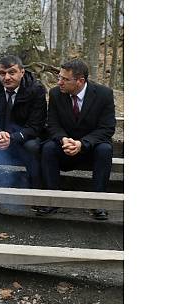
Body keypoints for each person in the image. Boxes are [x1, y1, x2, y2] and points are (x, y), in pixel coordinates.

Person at [39, 59, 116, 220]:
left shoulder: (104, 94)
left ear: (80, 81)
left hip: (91, 147)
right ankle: (52, 198)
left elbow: (107, 128)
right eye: (59, 77)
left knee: (105, 149)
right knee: (48, 148)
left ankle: (99, 203)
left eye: (65, 79)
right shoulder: (55, 93)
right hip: (65, 146)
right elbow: (52, 124)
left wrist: (82, 143)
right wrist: (63, 139)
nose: (59, 82)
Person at [0, 55, 46, 188]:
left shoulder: (36, 90)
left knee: (33, 146)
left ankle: (36, 191)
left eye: (12, 72)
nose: (7, 77)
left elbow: (36, 126)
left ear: (22, 72)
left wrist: (12, 137)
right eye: (2, 73)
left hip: (24, 139)